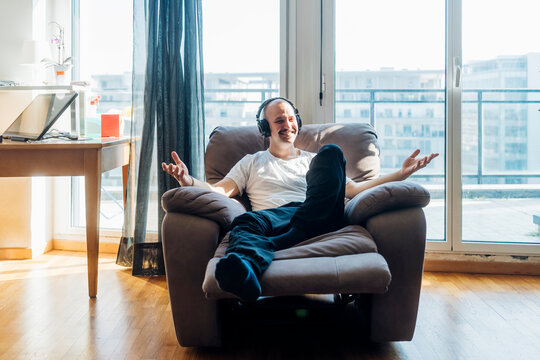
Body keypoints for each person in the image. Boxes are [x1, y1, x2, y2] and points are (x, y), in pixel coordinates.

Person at [162, 97, 438, 302]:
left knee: (331, 153)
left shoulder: (313, 161)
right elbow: (220, 191)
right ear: (264, 127)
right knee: (244, 223)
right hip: (272, 219)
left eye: (291, 118)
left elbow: (352, 191)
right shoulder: (251, 162)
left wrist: (399, 175)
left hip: (316, 213)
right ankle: (245, 274)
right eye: (279, 120)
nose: (288, 124)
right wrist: (187, 181)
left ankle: (272, 247)